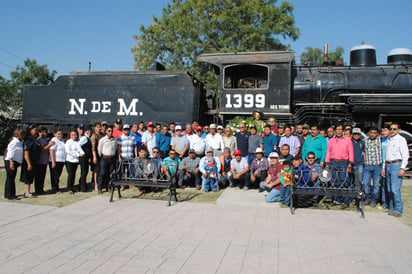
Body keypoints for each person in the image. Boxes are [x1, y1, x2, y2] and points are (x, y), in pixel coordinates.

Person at [382, 122, 409, 217]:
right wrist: (384, 167)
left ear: (398, 130)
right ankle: (392, 208)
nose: (392, 131)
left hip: (396, 165)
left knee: (395, 189)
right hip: (388, 165)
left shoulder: (401, 140)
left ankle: (398, 209)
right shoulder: (389, 140)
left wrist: (402, 168)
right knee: (389, 189)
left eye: (394, 129)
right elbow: (387, 155)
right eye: (391, 129)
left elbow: (405, 155)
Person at [325, 124, 354, 209]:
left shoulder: (347, 140)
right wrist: (327, 163)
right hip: (333, 162)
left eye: (340, 129)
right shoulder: (331, 140)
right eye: (337, 129)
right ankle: (336, 200)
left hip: (343, 163)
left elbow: (351, 152)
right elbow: (328, 152)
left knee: (344, 182)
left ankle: (346, 201)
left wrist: (350, 164)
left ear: (343, 131)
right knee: (334, 182)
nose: (338, 131)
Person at [363, 127, 383, 207]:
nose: (372, 134)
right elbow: (363, 152)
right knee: (366, 184)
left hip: (377, 165)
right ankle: (367, 198)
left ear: (377, 134)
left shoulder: (380, 140)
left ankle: (374, 200)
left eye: (374, 133)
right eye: (371, 132)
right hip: (367, 165)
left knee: (376, 184)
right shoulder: (365, 141)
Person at [4, 128, 25, 200]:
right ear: (18, 135)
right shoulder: (14, 142)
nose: (23, 136)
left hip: (15, 162)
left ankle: (9, 194)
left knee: (11, 178)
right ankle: (10, 195)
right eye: (22, 134)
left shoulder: (19, 142)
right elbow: (10, 153)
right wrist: (11, 163)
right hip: (11, 161)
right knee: (10, 178)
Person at [21, 125, 41, 198]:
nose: (36, 132)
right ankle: (27, 192)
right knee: (28, 177)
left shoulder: (34, 139)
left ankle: (28, 191)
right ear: (30, 130)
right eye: (35, 130)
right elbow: (26, 153)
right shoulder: (28, 140)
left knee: (31, 176)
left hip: (34, 161)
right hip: (29, 161)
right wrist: (29, 164)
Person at [97, 126, 117, 193]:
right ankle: (100, 188)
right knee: (102, 173)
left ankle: (109, 187)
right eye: (109, 131)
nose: (110, 132)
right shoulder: (102, 140)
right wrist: (102, 156)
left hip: (112, 158)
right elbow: (99, 149)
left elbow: (115, 148)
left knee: (110, 174)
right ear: (106, 131)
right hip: (104, 158)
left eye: (111, 131)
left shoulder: (115, 140)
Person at [35, 127, 54, 194]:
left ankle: (41, 189)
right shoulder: (38, 140)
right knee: (38, 177)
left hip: (45, 161)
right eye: (42, 132)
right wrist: (49, 145)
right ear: (39, 133)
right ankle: (38, 190)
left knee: (43, 176)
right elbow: (42, 150)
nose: (44, 134)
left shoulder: (45, 140)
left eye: (45, 132)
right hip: (39, 161)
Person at [65, 130, 84, 194]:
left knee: (73, 174)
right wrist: (77, 154)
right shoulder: (68, 142)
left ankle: (72, 187)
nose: (74, 136)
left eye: (75, 134)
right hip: (69, 160)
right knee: (70, 174)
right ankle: (69, 188)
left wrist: (82, 153)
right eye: (72, 135)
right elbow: (68, 151)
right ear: (70, 135)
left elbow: (80, 150)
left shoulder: (77, 142)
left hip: (75, 161)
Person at [49, 129, 66, 194]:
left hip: (61, 161)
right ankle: (55, 189)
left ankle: (56, 187)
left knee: (58, 175)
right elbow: (51, 151)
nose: (60, 135)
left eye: (61, 134)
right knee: (55, 175)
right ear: (54, 134)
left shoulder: (62, 141)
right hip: (55, 160)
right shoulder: (54, 140)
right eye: (58, 134)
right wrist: (53, 161)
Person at [78, 124, 92, 192]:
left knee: (85, 172)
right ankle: (82, 188)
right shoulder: (84, 138)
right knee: (84, 172)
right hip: (83, 158)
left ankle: (82, 185)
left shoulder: (87, 138)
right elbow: (78, 145)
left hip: (86, 158)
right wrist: (81, 152)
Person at [90, 122, 104, 191]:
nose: (99, 128)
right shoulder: (94, 136)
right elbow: (93, 148)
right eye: (98, 127)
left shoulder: (102, 135)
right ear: (95, 128)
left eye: (100, 127)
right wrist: (94, 157)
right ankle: (95, 184)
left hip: (102, 154)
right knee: (96, 170)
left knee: (101, 170)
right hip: (96, 155)